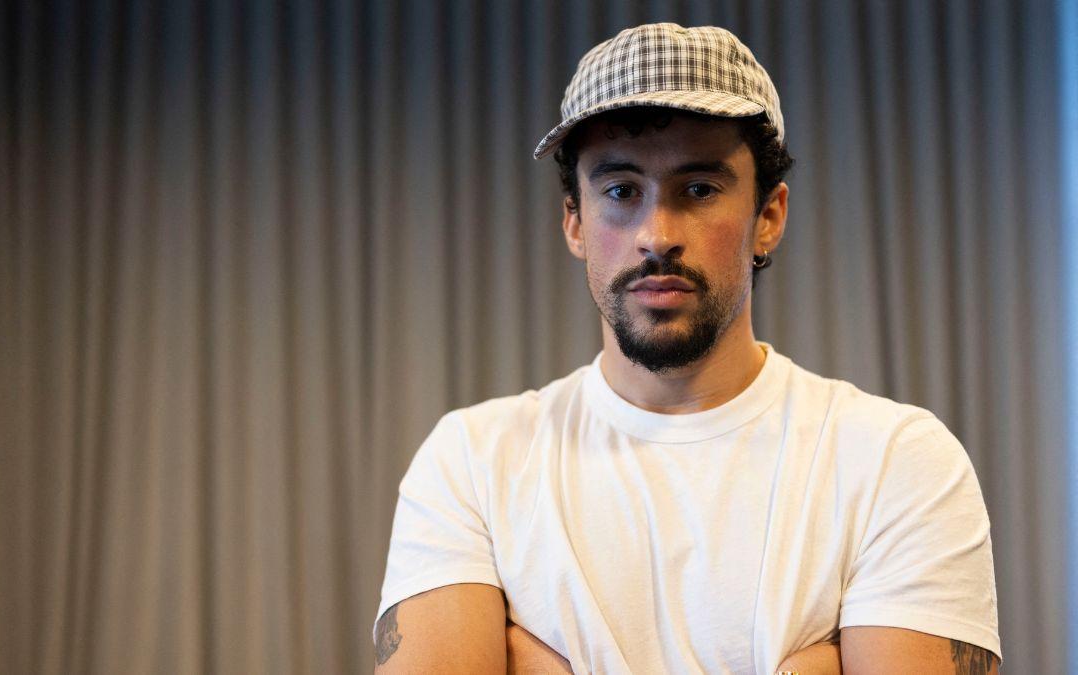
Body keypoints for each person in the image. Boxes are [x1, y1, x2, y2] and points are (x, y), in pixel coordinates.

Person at [373, 22, 1000, 674]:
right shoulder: (472, 462)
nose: (657, 234)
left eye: (699, 189)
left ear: (768, 216)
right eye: (621, 191)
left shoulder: (896, 461)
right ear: (574, 221)